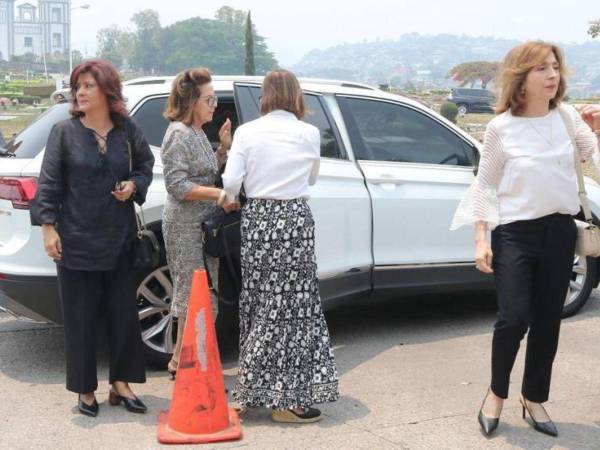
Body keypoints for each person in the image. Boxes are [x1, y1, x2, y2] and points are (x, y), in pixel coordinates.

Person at [451, 41, 600, 437]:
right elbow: (484, 186)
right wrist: (480, 238)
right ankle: (496, 393)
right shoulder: (502, 127)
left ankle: (533, 398)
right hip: (516, 233)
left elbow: (594, 156)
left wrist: (598, 129)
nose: (552, 75)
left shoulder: (567, 118)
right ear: (521, 78)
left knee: (549, 321)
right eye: (541, 69)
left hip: (559, 232)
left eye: (555, 67)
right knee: (513, 318)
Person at [30, 60, 154, 417]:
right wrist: (48, 228)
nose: (79, 92)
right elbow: (49, 184)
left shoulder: (128, 130)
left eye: (87, 86)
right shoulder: (63, 133)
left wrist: (134, 185)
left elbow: (145, 167)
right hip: (76, 241)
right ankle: (85, 389)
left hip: (120, 238)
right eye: (77, 86)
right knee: (80, 317)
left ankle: (121, 383)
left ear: (107, 91)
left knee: (123, 314)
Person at [222, 69, 339, 424]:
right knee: (294, 309)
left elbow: (231, 182)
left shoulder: (247, 132)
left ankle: (256, 392)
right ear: (296, 96)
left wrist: (230, 196)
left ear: (266, 96)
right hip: (295, 221)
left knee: (260, 304)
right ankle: (280, 400)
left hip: (259, 220)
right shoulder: (308, 133)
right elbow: (313, 177)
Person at [160, 67, 237, 378]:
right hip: (184, 227)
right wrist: (220, 195)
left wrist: (222, 148)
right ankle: (187, 365)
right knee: (192, 293)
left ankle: (182, 362)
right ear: (191, 100)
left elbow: (203, 172)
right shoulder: (178, 134)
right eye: (209, 99)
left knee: (200, 294)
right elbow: (177, 185)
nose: (214, 105)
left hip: (202, 227)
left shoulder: (197, 133)